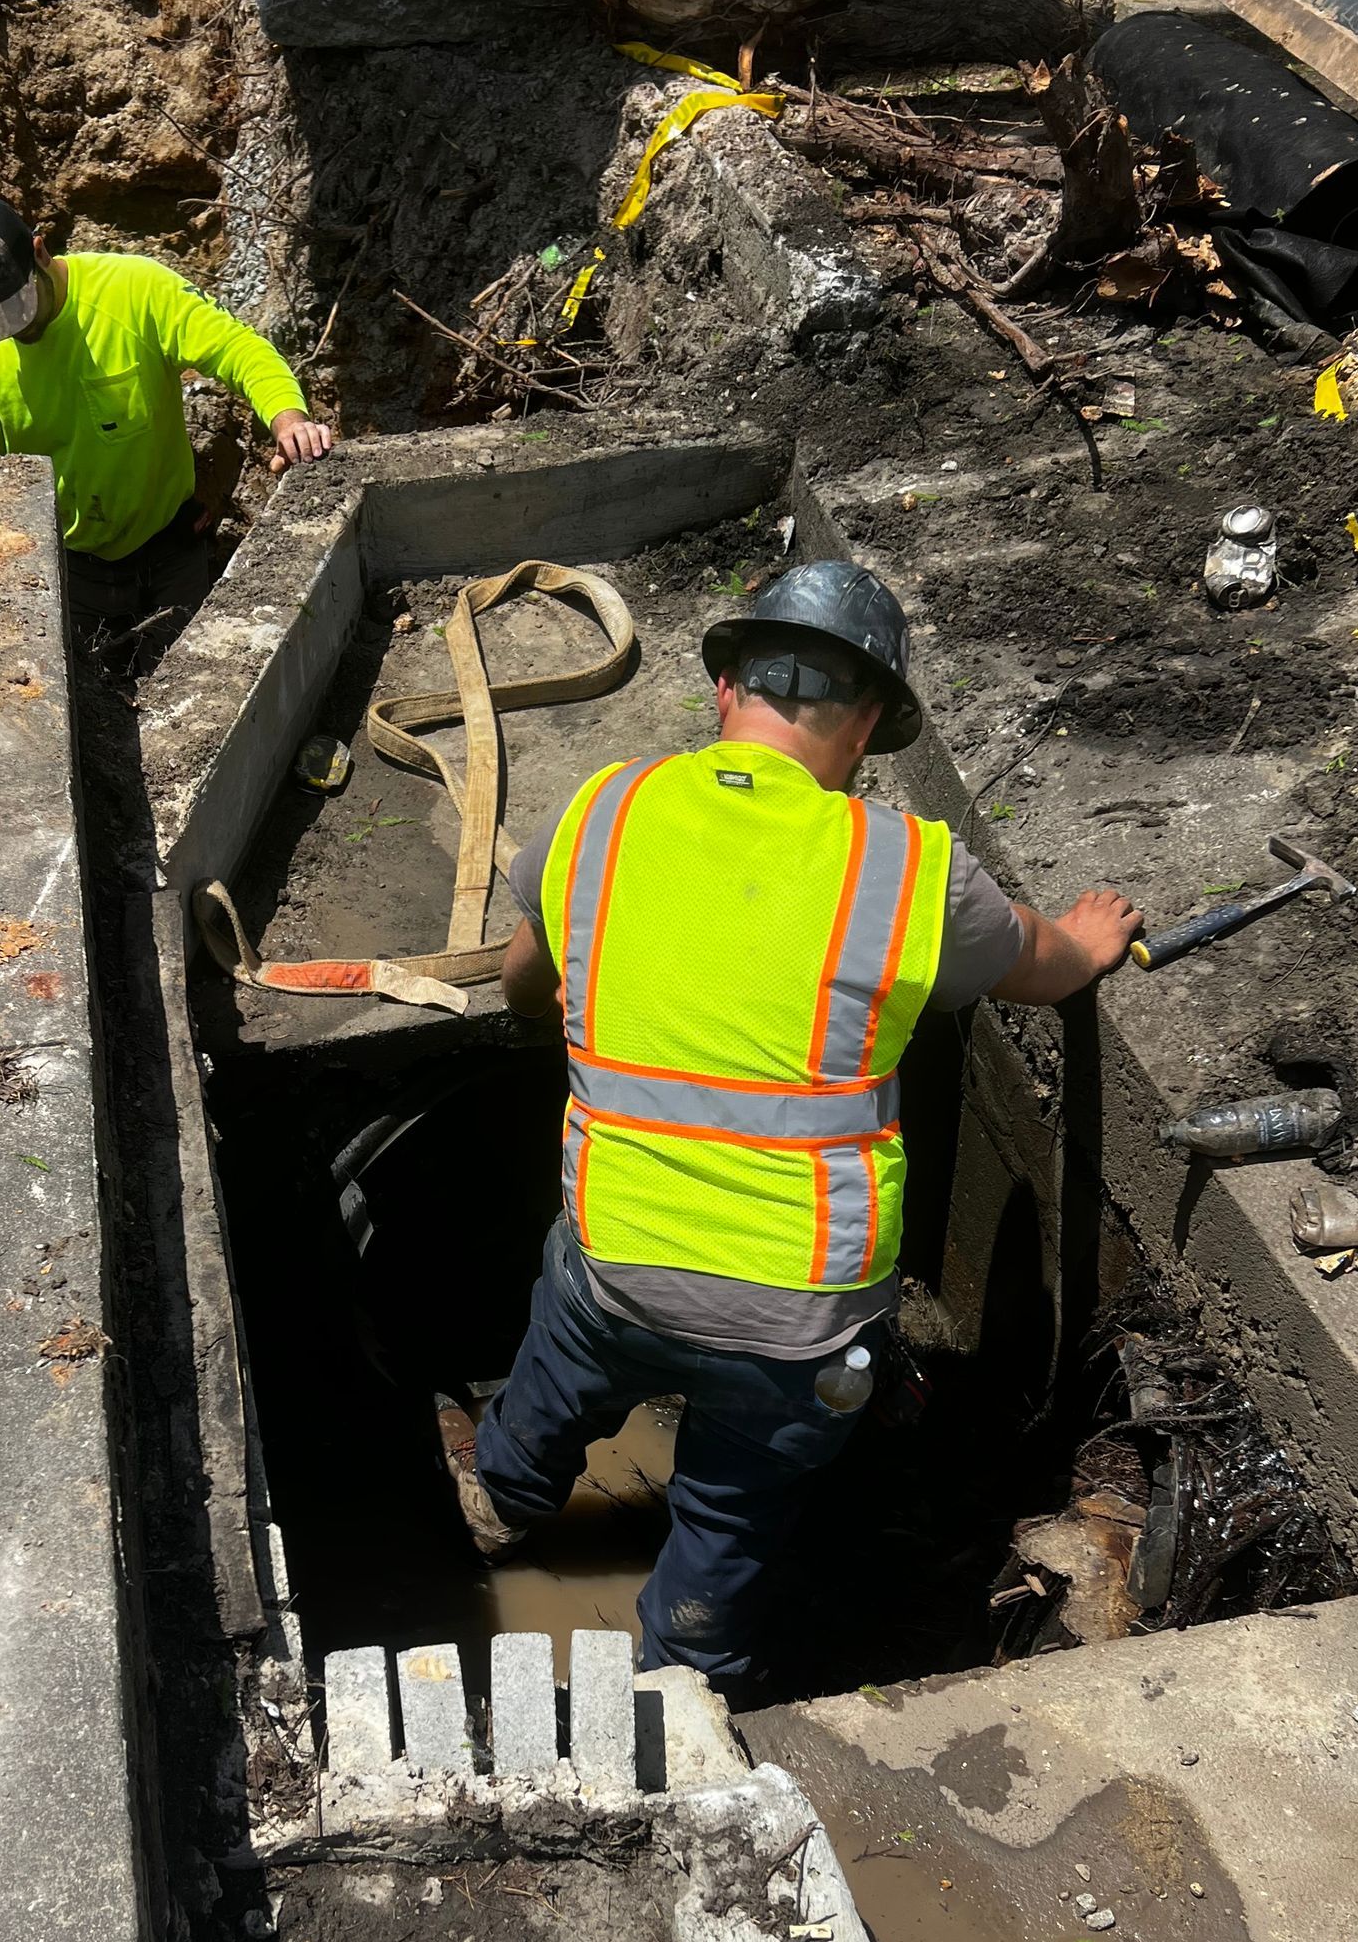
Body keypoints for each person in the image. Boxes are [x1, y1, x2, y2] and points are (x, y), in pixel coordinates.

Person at [435, 561, 1141, 1691]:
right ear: (868, 728)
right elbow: (1042, 967)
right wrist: (1089, 944)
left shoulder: (604, 809)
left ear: (725, 686)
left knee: (561, 1356)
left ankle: (501, 1499)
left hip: (617, 1267)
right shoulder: (909, 868)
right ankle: (689, 1679)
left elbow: (526, 984)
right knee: (733, 1514)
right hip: (805, 1318)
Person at [0, 195, 333, 626]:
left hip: (169, 551)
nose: (14, 329)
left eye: (19, 308)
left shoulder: (134, 289)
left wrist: (287, 417)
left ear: (40, 252)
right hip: (65, 567)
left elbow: (237, 348)